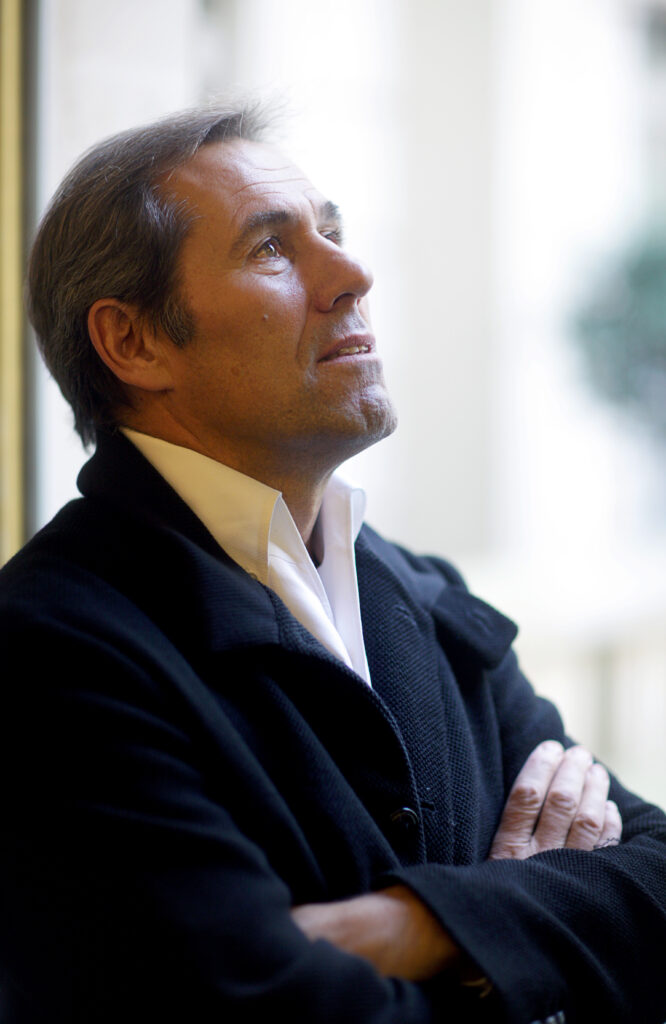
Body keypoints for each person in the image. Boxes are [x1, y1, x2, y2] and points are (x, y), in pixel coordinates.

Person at [0, 102, 664, 1024]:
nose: (353, 275)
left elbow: (657, 876)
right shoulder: (47, 648)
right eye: (271, 248)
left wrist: (415, 926)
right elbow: (257, 1008)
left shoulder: (426, 593)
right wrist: (530, 940)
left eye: (334, 233)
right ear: (134, 342)